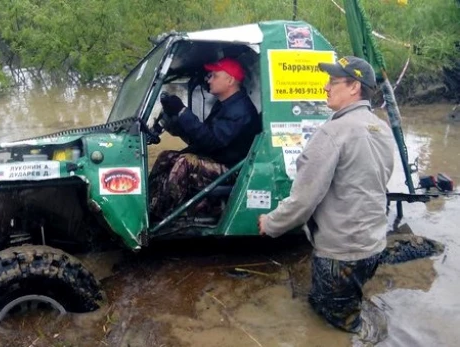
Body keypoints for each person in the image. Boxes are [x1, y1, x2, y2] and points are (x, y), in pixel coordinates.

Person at [258, 56, 395, 341]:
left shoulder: (332, 132)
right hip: (373, 246)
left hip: (340, 254)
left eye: (332, 82)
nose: (325, 87)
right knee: (336, 307)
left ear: (354, 86)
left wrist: (270, 223)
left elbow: (303, 200)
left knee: (332, 327)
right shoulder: (380, 128)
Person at [149, 57, 261, 221]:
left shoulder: (241, 110)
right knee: (167, 156)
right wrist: (176, 120)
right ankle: (150, 203)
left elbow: (211, 141)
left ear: (230, 80)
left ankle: (161, 217)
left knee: (184, 162)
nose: (209, 79)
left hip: (233, 170)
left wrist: (182, 112)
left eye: (215, 76)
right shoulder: (224, 105)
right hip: (217, 160)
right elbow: (203, 137)